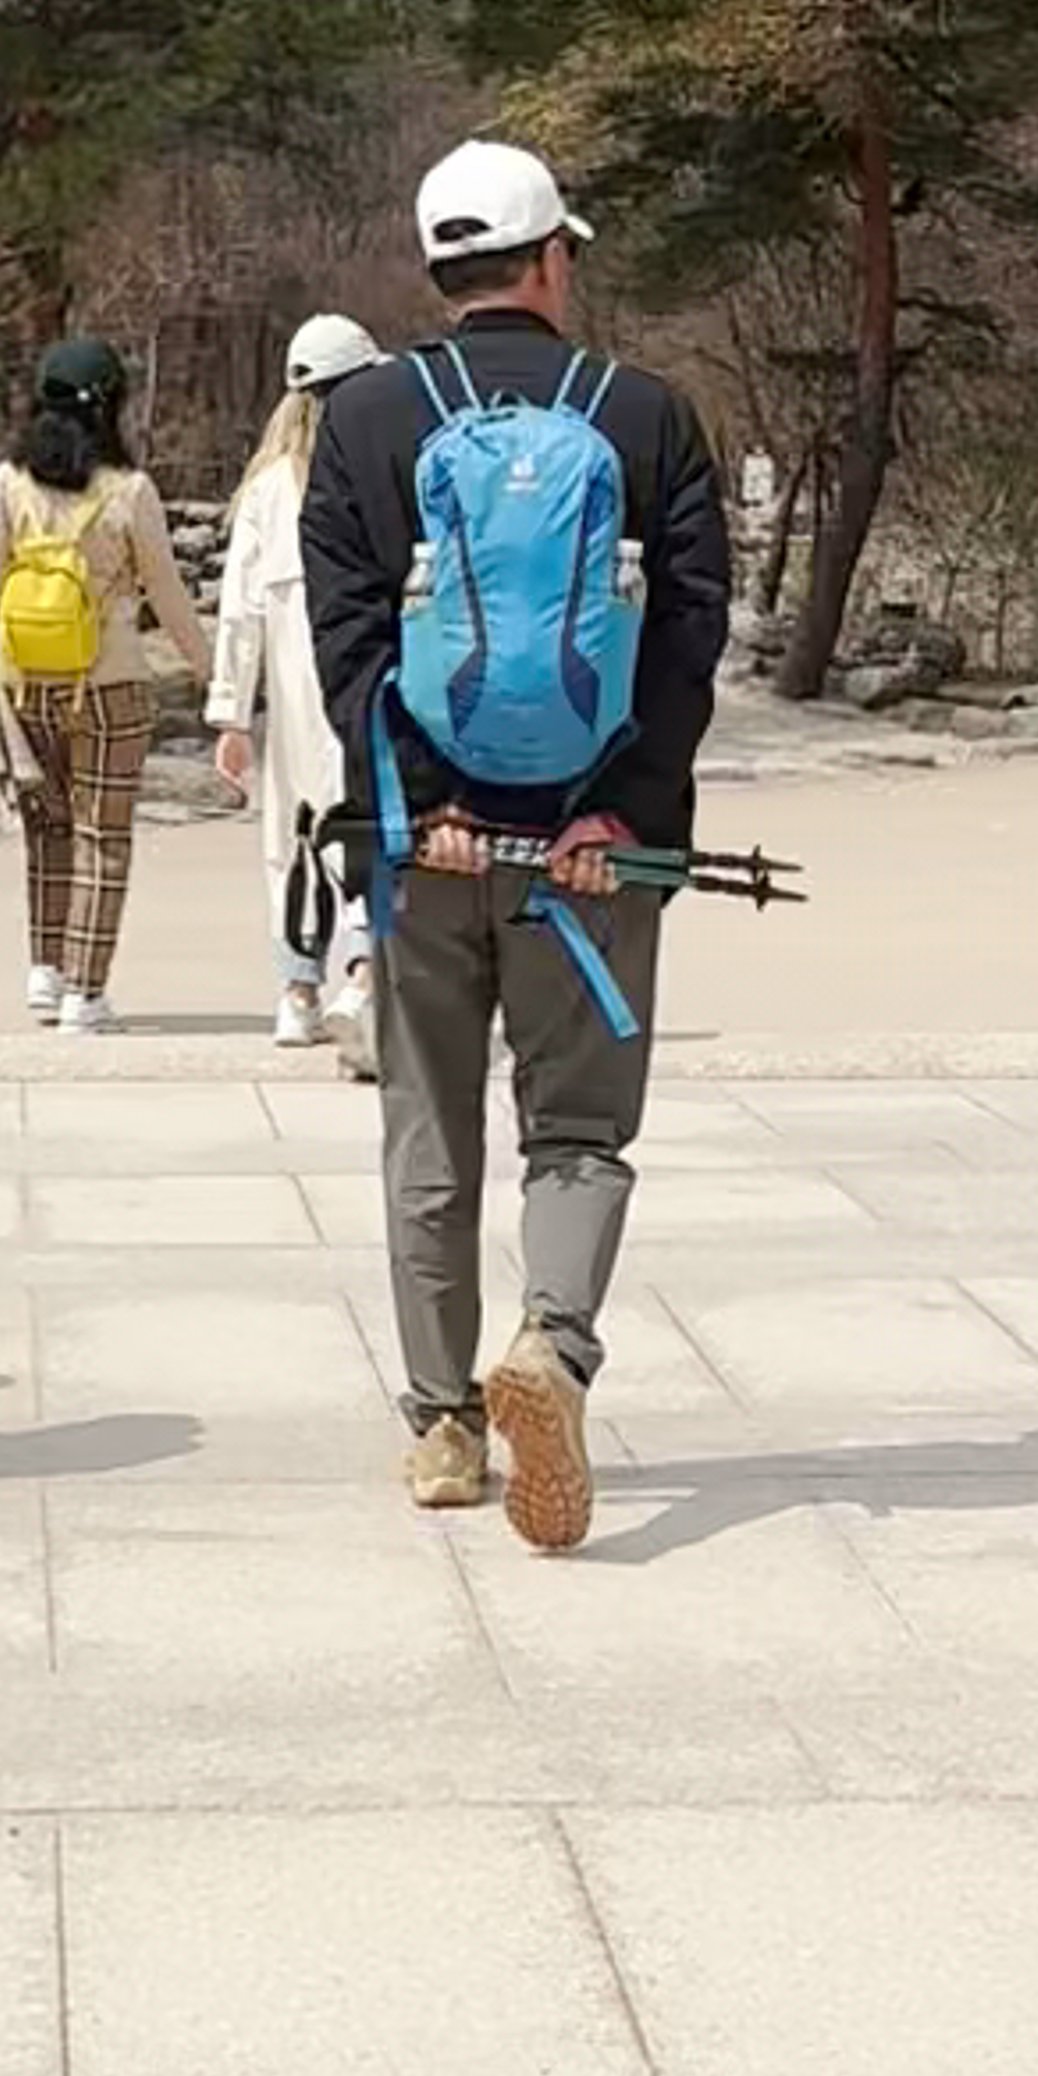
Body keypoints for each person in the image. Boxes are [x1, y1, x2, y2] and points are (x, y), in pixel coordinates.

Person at [301, 131, 730, 1552]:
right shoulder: (648, 414)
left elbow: (347, 640)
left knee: (428, 1130)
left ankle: (440, 1420)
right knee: (580, 1128)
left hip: (427, 849)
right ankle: (553, 1343)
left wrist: (416, 807)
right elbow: (687, 639)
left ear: (437, 271)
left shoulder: (362, 422)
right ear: (553, 261)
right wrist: (626, 809)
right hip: (597, 849)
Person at [0, 333, 214, 1034]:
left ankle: (45, 971)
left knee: (45, 828)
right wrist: (213, 674)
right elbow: (167, 595)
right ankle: (87, 990)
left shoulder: (7, 482)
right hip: (109, 686)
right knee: (104, 836)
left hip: (22, 683)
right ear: (112, 406)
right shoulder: (130, 491)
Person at [211, 311, 385, 1052]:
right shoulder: (381, 477)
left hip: (290, 701)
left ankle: (297, 990)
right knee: (371, 828)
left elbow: (238, 613)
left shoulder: (267, 491)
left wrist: (230, 713)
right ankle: (367, 977)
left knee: (292, 841)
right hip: (370, 691)